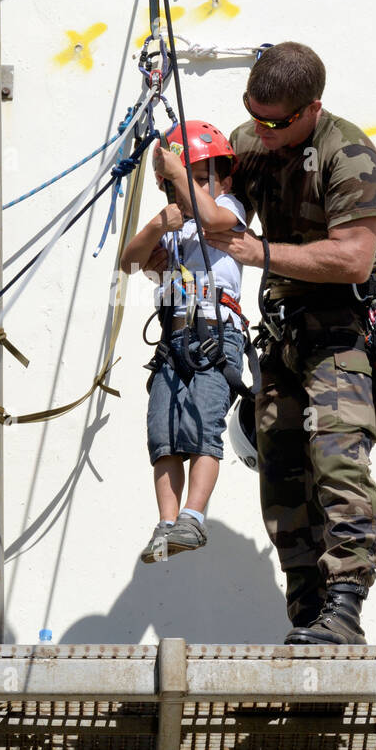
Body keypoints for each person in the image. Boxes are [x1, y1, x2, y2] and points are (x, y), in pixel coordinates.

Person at [207, 42, 376, 645]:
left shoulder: (349, 154)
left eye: (277, 122)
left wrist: (258, 252)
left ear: (312, 108)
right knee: (282, 477)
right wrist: (180, 171)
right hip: (280, 339)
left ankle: (344, 610)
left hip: (339, 335)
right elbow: (219, 209)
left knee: (338, 465)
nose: (262, 131)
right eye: (253, 115)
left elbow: (354, 258)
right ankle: (308, 618)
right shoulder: (251, 139)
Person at [120, 121, 248, 564]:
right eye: (178, 183)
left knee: (201, 425)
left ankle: (194, 516)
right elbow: (130, 261)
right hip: (174, 339)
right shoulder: (173, 229)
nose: (185, 190)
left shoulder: (228, 207)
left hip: (215, 335)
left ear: (222, 179)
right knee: (164, 431)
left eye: (196, 179)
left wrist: (176, 173)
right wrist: (160, 223)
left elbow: (212, 217)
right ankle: (167, 523)